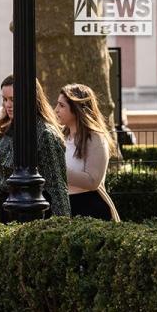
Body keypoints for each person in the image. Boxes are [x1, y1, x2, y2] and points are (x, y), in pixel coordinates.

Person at [0, 75, 70, 222]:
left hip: (38, 216)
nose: (8, 104)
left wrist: (62, 227)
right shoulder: (5, 129)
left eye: (13, 99)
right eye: (5, 99)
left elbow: (58, 187)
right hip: (7, 212)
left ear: (30, 97)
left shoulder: (45, 134)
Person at [55, 83, 119, 221]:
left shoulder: (95, 138)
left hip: (91, 209)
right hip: (63, 207)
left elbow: (93, 181)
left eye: (62, 105)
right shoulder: (60, 137)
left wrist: (58, 171)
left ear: (76, 109)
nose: (56, 110)